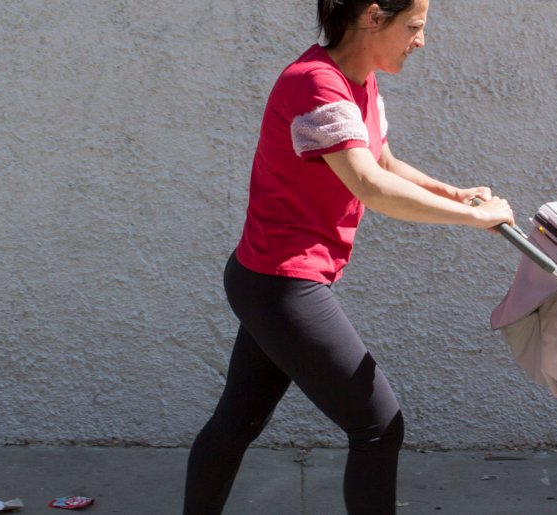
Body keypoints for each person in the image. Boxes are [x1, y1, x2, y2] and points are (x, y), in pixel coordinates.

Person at [183, 1, 515, 513]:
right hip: (282, 286)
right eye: (415, 27)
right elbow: (369, 184)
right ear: (374, 18)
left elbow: (381, 159)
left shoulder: (358, 79)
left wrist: (452, 193)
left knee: (237, 422)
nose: (421, 41)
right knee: (379, 426)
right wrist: (474, 219)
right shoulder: (314, 83)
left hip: (269, 279)